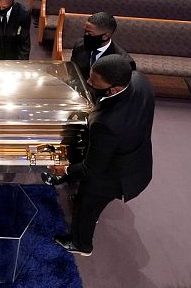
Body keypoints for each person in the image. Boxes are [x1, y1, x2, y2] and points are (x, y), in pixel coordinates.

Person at [49, 55, 155, 256]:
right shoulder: (139, 81)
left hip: (112, 176)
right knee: (90, 201)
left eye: (93, 82)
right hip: (136, 160)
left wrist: (64, 169)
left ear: (113, 89)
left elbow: (91, 169)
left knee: (85, 206)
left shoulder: (107, 123)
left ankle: (80, 244)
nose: (88, 83)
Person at [70, 12, 136, 80]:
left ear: (105, 36)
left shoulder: (124, 62)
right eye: (85, 31)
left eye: (89, 33)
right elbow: (72, 72)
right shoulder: (79, 45)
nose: (86, 35)